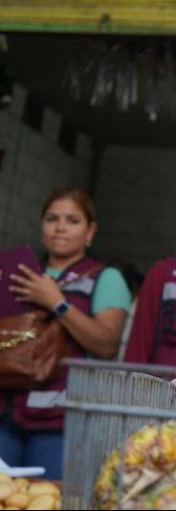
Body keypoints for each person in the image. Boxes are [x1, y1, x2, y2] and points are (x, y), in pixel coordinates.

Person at [1, 189, 131, 480]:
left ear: (90, 231)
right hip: (5, 413)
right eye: (52, 219)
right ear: (42, 226)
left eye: (72, 220)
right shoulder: (17, 272)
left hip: (60, 422)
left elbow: (106, 345)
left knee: (47, 498)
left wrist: (56, 302)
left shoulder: (105, 278)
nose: (60, 227)